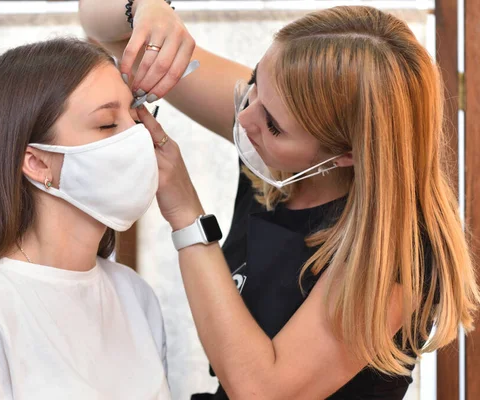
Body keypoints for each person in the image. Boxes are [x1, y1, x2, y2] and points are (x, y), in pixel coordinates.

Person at [79, 2, 480, 399]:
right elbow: (103, 24)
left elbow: (260, 390)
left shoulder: (397, 256)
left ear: (347, 154)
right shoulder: (272, 111)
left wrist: (186, 215)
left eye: (273, 125)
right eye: (253, 83)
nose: (245, 118)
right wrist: (147, 10)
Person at [0, 38, 170, 400]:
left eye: (135, 118)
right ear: (37, 162)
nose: (137, 138)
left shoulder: (135, 296)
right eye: (107, 124)